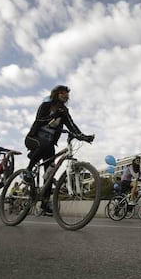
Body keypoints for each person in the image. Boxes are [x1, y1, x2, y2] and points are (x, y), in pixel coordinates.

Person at [24, 85, 94, 216]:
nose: (65, 95)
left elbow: (72, 125)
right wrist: (54, 115)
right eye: (62, 92)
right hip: (34, 138)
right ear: (56, 94)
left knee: (50, 172)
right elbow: (39, 120)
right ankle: (28, 171)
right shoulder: (46, 105)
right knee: (43, 145)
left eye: (66, 94)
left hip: (49, 143)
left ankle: (45, 202)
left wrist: (83, 137)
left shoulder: (64, 111)